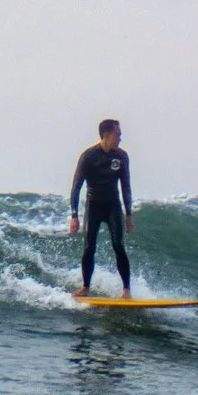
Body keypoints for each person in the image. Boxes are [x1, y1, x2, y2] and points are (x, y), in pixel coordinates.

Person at [68, 118, 135, 297]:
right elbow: (76, 186)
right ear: (106, 134)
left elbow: (126, 186)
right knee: (89, 247)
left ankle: (126, 290)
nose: (120, 138)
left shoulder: (121, 156)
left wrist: (129, 214)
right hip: (94, 207)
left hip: (113, 206)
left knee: (118, 245)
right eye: (117, 134)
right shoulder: (88, 156)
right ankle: (85, 288)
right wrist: (74, 215)